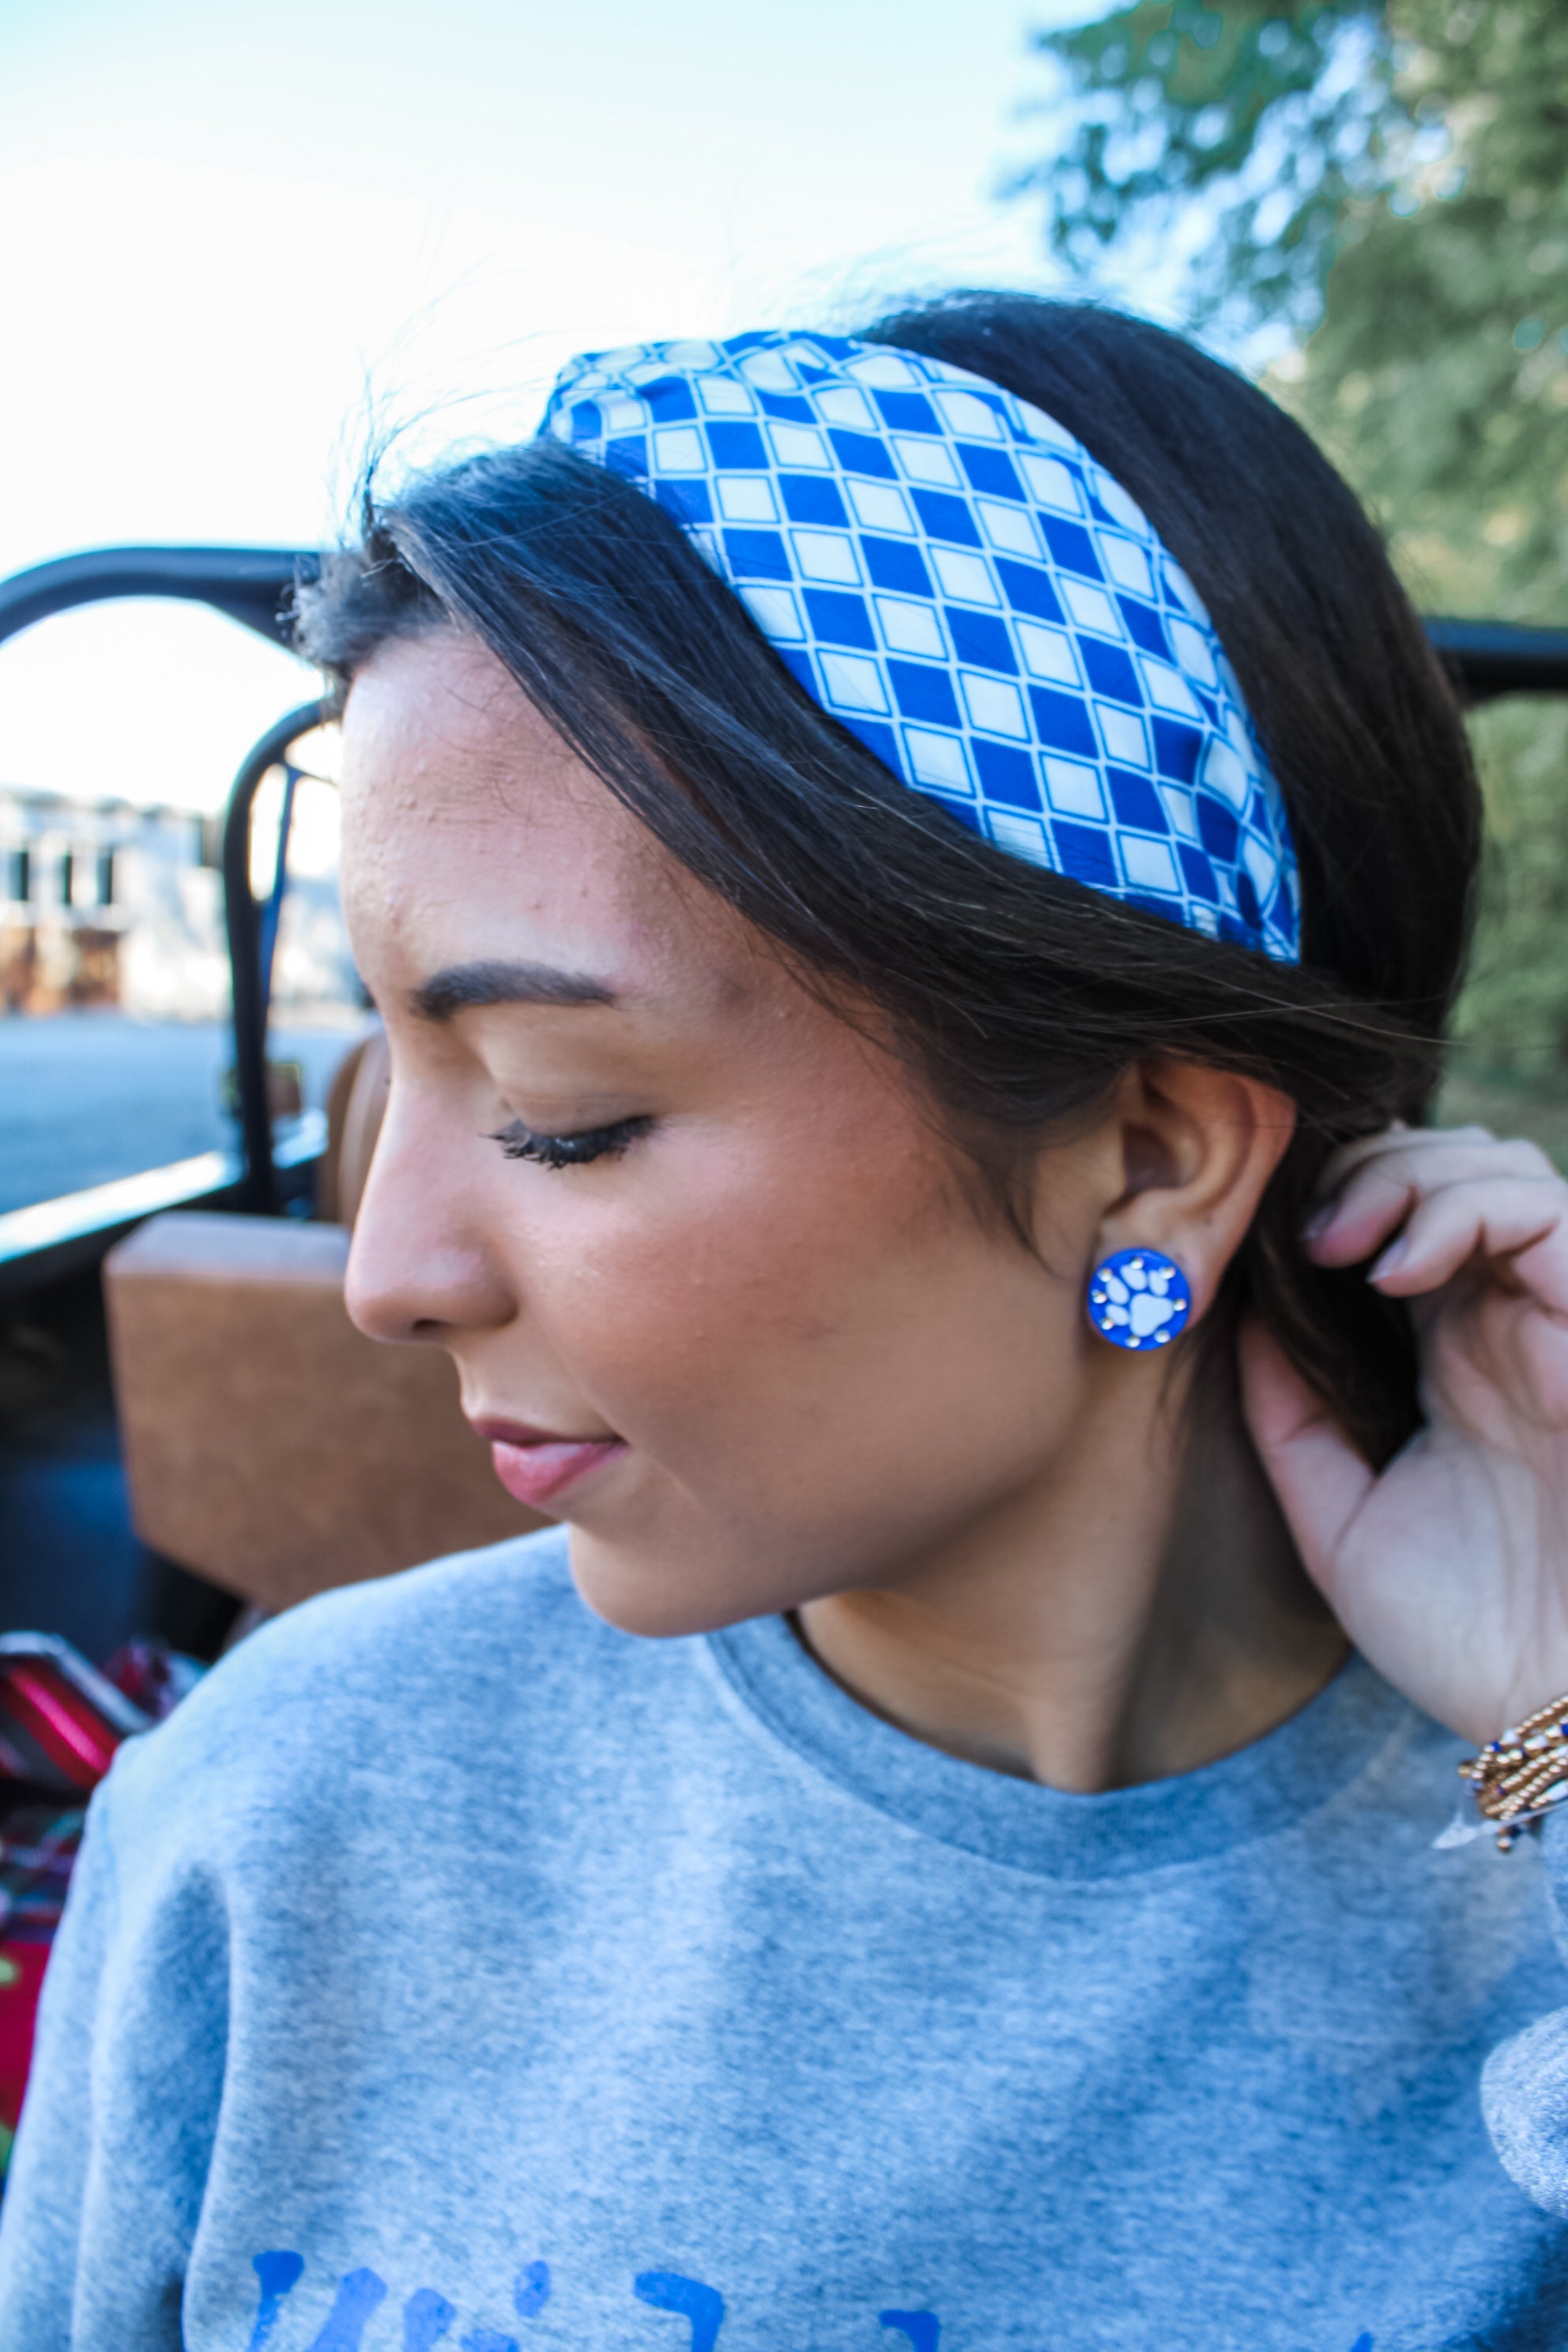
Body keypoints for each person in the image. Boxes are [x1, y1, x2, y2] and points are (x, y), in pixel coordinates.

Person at [4, 293, 1568, 2351]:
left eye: (564, 1114)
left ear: (1153, 1160)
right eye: (385, 1066)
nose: (387, 1274)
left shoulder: (1531, 1856)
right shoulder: (275, 1826)